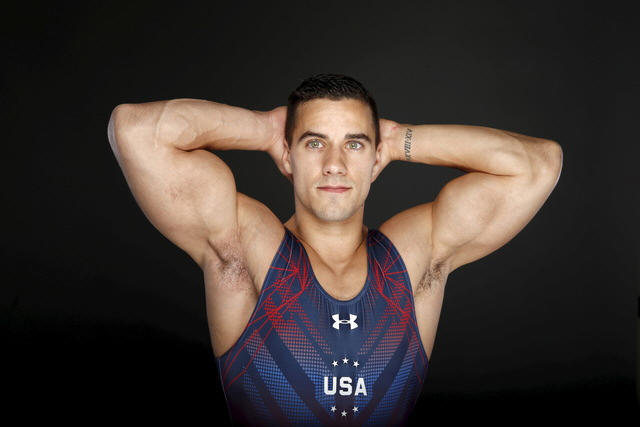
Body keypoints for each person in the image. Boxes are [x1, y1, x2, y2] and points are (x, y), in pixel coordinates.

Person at [107, 73, 562, 425]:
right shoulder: (247, 250)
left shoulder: (412, 258)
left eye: (355, 145)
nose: (335, 165)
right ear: (288, 155)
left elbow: (539, 164)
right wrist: (264, 129)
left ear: (375, 158)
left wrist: (399, 139)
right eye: (314, 143)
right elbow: (135, 130)